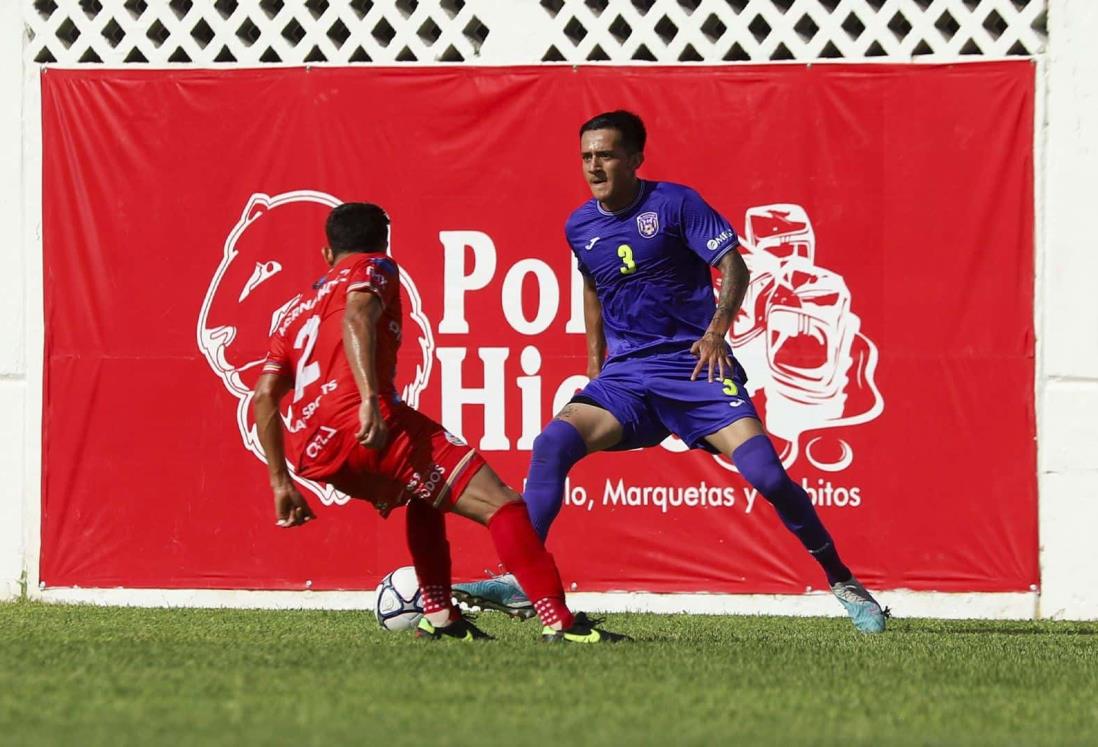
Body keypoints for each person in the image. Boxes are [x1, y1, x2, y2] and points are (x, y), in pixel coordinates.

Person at [460, 111, 888, 633]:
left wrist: (715, 331)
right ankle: (522, 580)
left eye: (607, 155)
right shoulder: (579, 225)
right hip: (629, 378)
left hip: (694, 367)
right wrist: (596, 366)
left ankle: (842, 579)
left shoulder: (676, 204)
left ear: (636, 159)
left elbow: (734, 266)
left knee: (768, 476)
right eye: (587, 156)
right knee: (553, 442)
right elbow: (593, 286)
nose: (594, 166)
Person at [251, 202, 626, 644]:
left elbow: (264, 398)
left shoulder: (297, 311)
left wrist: (280, 481)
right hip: (365, 419)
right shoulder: (376, 267)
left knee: (423, 494)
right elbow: (357, 316)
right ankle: (561, 623)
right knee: (503, 505)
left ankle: (440, 617)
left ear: (326, 253)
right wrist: (370, 399)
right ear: (383, 243)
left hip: (311, 453)